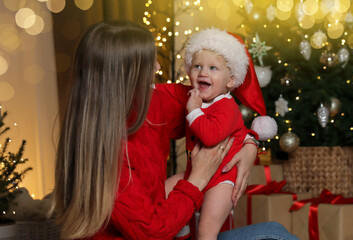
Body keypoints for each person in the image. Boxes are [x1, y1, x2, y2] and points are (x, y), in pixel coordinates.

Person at [50, 20, 299, 240]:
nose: (158, 67)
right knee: (274, 236)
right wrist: (198, 179)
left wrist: (249, 144)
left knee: (275, 231)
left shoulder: (152, 102)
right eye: (150, 62)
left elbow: (218, 106)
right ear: (125, 77)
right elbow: (152, 233)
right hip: (159, 233)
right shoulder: (105, 157)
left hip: (175, 225)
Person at [162, 29, 277, 239]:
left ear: (231, 80)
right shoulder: (194, 96)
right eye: (197, 66)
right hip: (194, 174)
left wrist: (193, 110)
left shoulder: (226, 107)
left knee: (207, 230)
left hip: (221, 179)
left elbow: (211, 137)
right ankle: (182, 228)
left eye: (213, 68)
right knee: (161, 195)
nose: (203, 73)